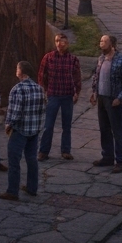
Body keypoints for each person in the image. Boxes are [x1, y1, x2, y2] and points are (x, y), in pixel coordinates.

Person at [0, 60, 46, 201]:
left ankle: (12, 191)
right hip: (34, 130)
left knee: (14, 160)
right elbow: (43, 109)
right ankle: (32, 188)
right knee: (31, 159)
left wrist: (8, 124)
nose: (16, 71)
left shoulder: (18, 89)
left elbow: (16, 112)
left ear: (21, 72)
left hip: (20, 130)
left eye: (17, 68)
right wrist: (39, 127)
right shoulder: (39, 88)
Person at [90, 34, 122, 173]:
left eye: (104, 41)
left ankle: (121, 161)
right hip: (102, 98)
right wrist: (94, 93)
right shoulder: (101, 59)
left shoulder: (121, 61)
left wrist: (120, 98)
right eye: (100, 41)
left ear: (112, 44)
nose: (101, 43)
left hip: (113, 100)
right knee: (104, 129)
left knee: (117, 130)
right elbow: (96, 77)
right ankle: (107, 156)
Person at [37, 32, 82, 161]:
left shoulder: (72, 59)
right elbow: (41, 75)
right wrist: (43, 91)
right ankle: (43, 151)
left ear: (66, 44)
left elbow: (77, 77)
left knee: (66, 125)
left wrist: (76, 93)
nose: (58, 44)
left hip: (67, 95)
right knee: (48, 125)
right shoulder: (48, 57)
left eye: (61, 41)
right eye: (56, 41)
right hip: (53, 94)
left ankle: (65, 150)